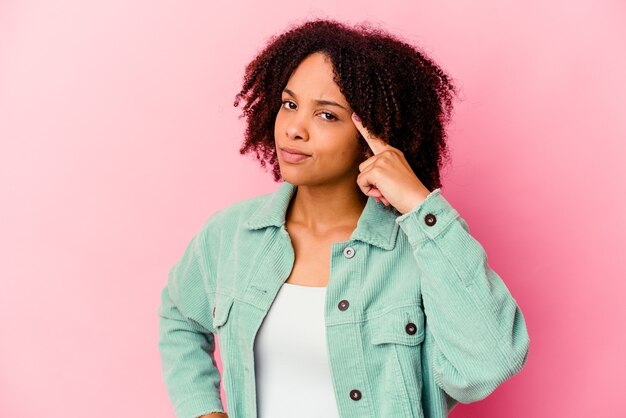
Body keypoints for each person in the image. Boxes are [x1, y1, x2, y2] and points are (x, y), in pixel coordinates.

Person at [157, 18, 530, 418]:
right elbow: (178, 316)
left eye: (327, 115)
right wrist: (203, 411)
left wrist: (420, 205)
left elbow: (490, 363)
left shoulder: (419, 251)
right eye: (290, 104)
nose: (295, 129)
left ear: (374, 135)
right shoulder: (230, 236)